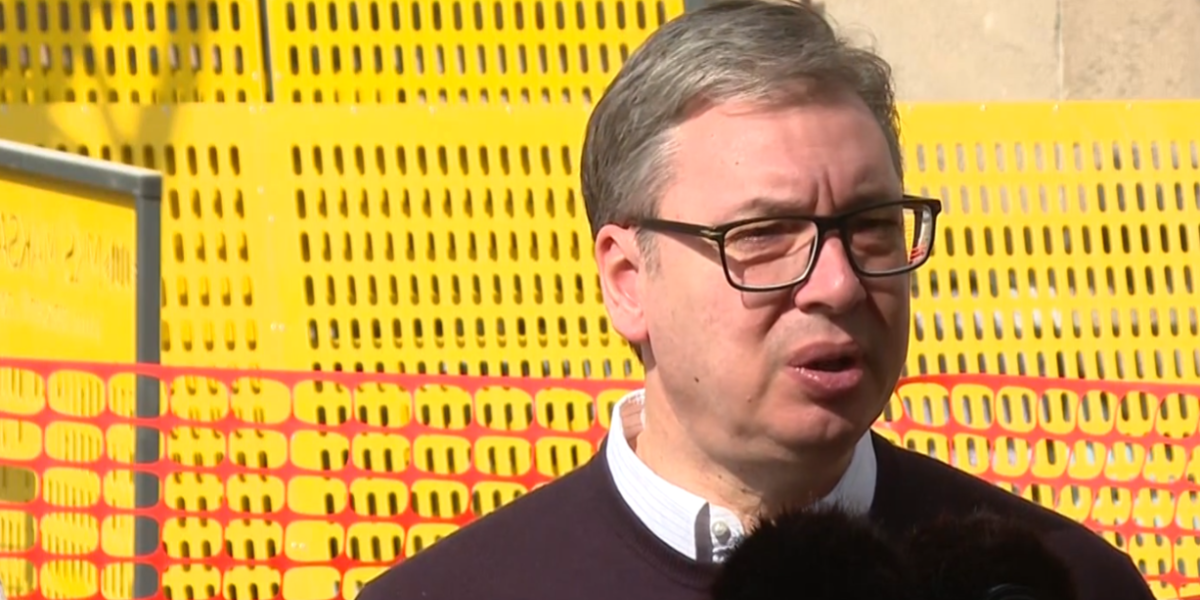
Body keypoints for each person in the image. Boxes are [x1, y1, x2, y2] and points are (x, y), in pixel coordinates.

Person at [357, 2, 1156, 599]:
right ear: (628, 280)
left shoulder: (1063, 582)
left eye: (872, 227)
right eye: (766, 235)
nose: (838, 284)